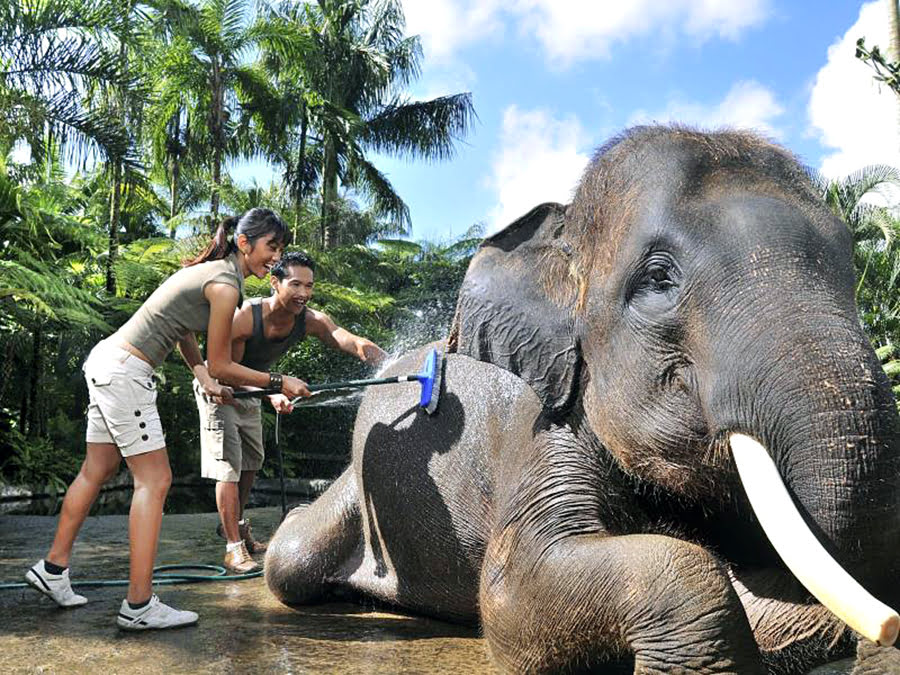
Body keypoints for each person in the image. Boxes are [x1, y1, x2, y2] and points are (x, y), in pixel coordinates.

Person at [24, 208, 310, 631]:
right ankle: (139, 606)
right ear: (245, 243)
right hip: (126, 372)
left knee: (98, 469)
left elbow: (182, 330)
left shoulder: (214, 272)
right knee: (155, 480)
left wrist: (201, 375)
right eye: (272, 247)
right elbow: (223, 363)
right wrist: (277, 380)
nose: (277, 257)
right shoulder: (226, 283)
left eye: (281, 249)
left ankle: (53, 569)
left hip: (107, 360)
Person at [192, 251, 387, 573]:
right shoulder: (244, 316)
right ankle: (233, 548)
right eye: (295, 284)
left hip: (256, 389)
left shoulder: (311, 319)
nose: (303, 293)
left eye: (309, 286)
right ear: (274, 282)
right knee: (228, 466)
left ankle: (237, 527)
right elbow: (221, 369)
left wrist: (388, 361)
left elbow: (348, 340)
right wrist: (275, 388)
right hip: (218, 390)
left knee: (252, 463)